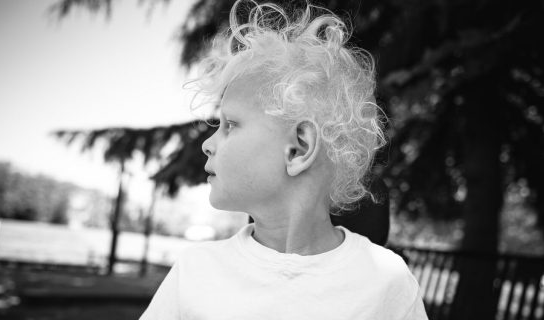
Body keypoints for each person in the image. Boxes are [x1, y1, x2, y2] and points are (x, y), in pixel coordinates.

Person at [140, 0, 428, 319]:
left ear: (298, 148)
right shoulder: (196, 271)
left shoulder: (387, 282)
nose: (208, 144)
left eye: (230, 124)